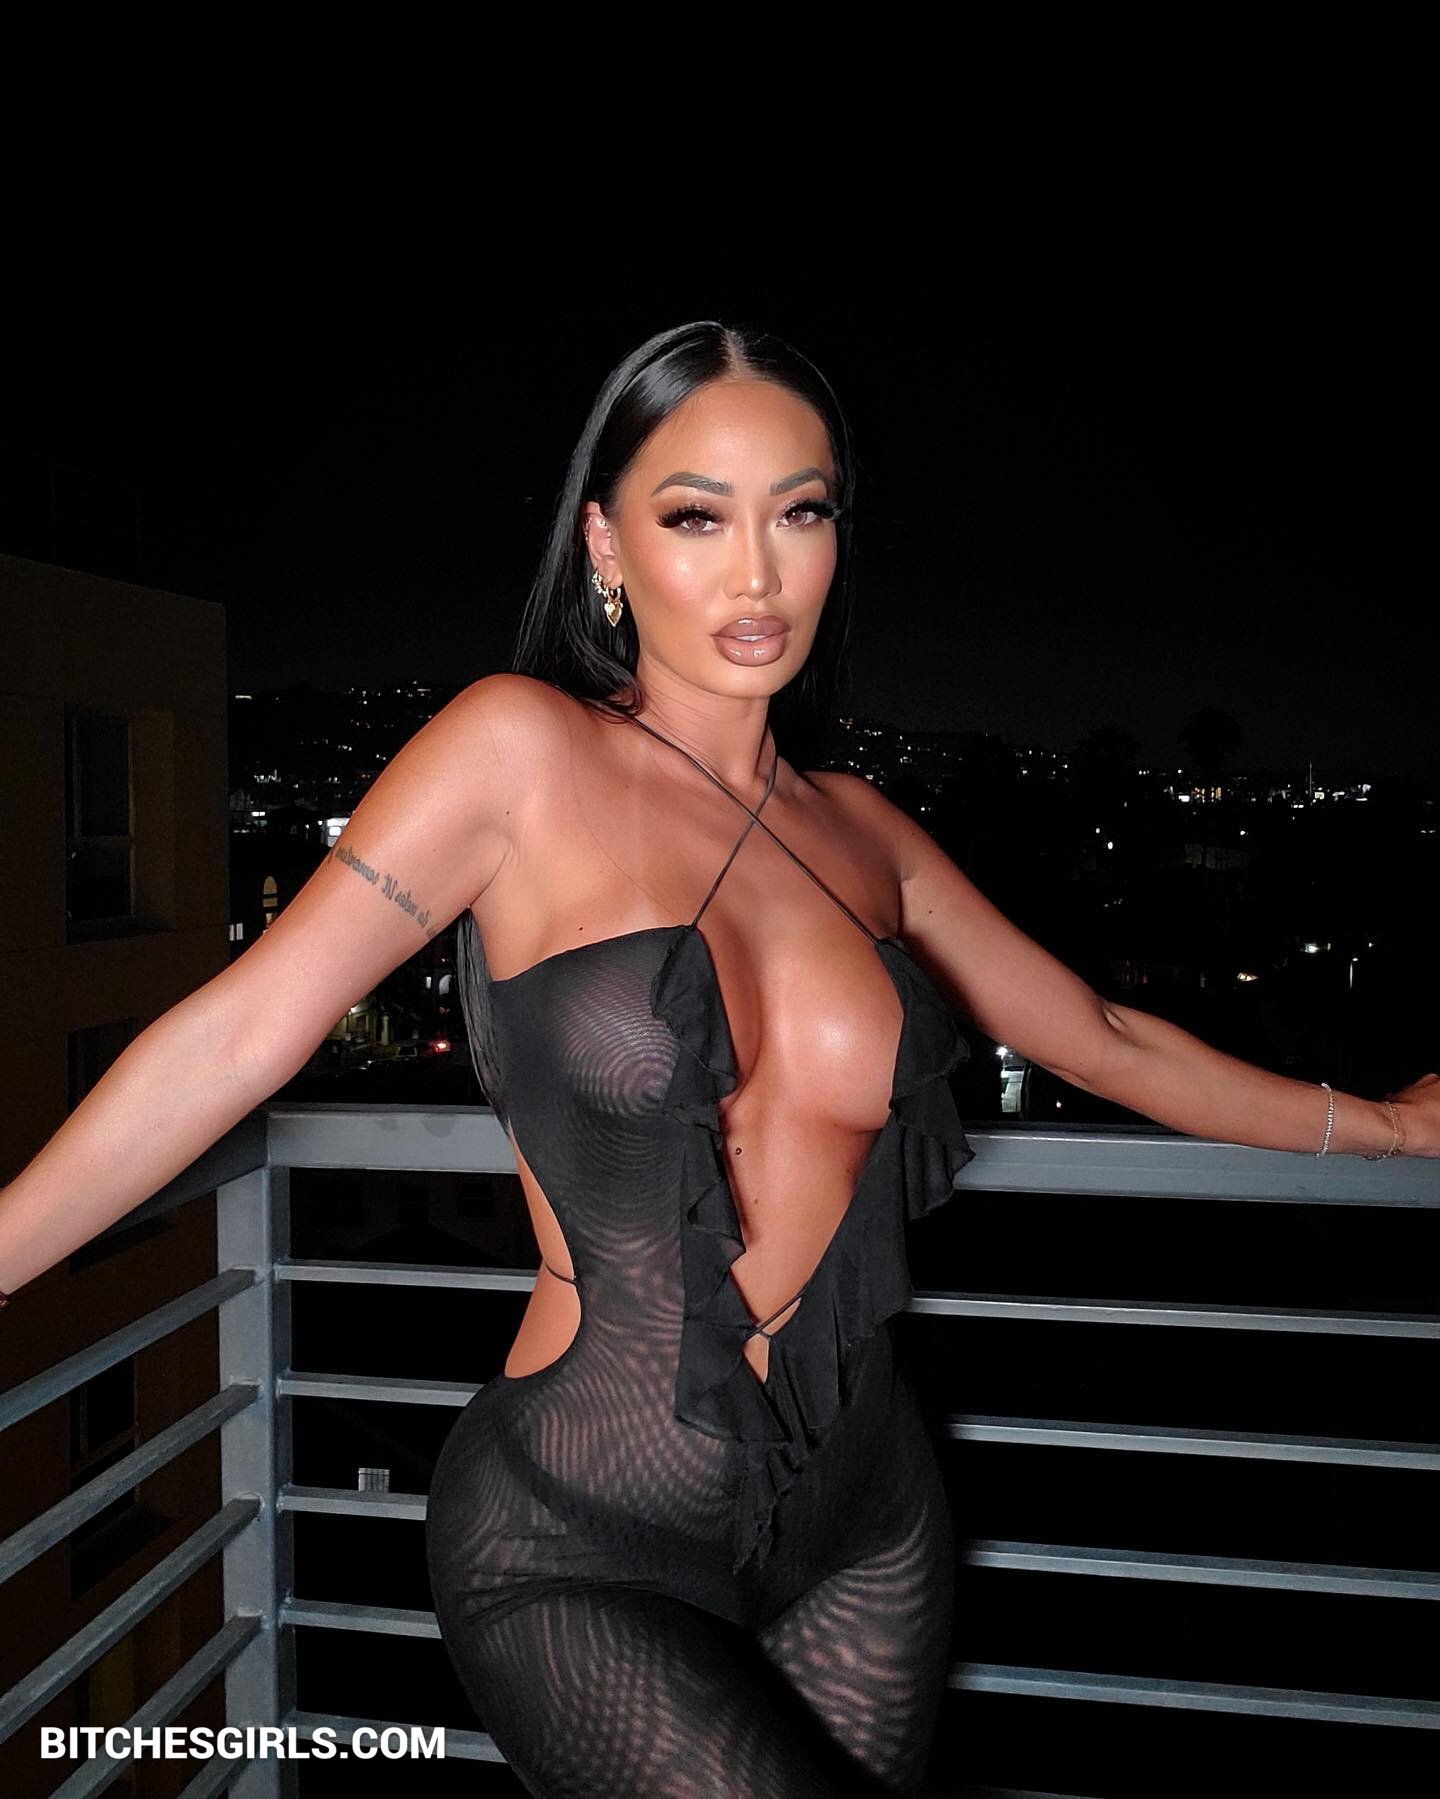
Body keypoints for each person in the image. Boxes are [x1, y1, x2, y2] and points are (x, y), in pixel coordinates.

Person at [2, 320, 1434, 1797]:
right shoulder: (519, 755)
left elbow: (1111, 1039)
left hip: (864, 1521)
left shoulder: (868, 834)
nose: (757, 574)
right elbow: (237, 1036)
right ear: (606, 544)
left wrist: (1395, 1127)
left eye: (798, 513)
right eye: (698, 517)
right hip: (580, 1538)